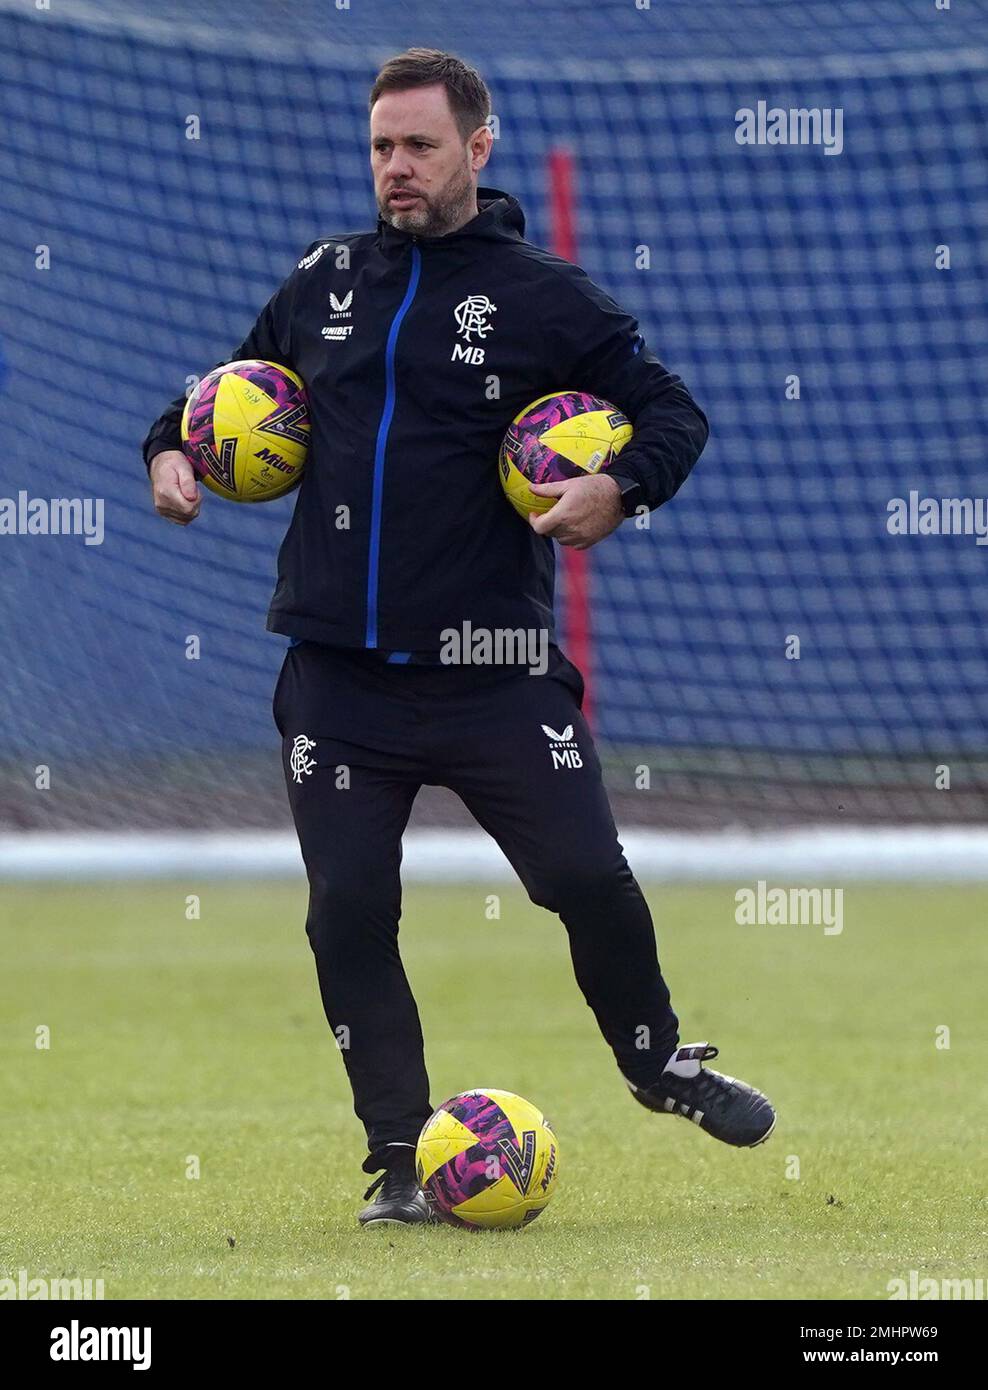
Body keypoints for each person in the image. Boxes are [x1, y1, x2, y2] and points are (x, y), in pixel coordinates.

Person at [143, 47, 775, 1227]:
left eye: (419, 146)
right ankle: (398, 1154)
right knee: (346, 911)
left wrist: (620, 488)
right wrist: (169, 455)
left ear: (476, 151)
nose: (395, 167)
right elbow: (209, 398)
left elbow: (675, 412)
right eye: (381, 145)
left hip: (495, 675)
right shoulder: (324, 280)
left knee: (587, 876)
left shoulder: (546, 299)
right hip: (336, 677)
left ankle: (657, 1063)